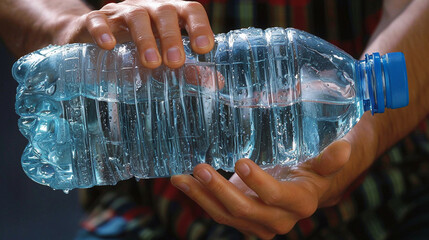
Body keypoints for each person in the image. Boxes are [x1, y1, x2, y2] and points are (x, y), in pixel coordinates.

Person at [1, 0, 429, 239]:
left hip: (387, 200)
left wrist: (367, 137)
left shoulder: (340, 94)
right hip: (151, 206)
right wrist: (66, 28)